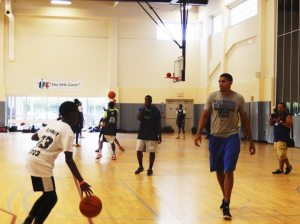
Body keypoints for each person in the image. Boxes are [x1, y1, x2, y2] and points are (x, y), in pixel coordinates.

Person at [194, 73, 255, 220]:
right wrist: (198, 133)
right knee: (219, 170)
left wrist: (251, 140)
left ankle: (226, 204)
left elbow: (245, 119)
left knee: (228, 170)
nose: (221, 84)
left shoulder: (238, 98)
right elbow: (204, 116)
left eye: (224, 81)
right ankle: (224, 196)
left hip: (232, 137)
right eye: (219, 81)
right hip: (215, 138)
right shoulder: (212, 97)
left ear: (231, 83)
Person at [24, 101, 92, 224]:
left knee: (47, 195)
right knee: (51, 198)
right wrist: (81, 181)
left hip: (32, 157)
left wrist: (49, 135)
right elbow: (69, 160)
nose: (78, 116)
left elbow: (34, 137)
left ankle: (28, 220)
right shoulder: (68, 132)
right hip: (41, 163)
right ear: (71, 114)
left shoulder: (54, 123)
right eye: (76, 113)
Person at [135, 95, 162, 176]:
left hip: (152, 134)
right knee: (138, 150)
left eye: (148, 100)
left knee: (152, 152)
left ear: (151, 101)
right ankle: (140, 166)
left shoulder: (156, 110)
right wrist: (143, 108)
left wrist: (160, 135)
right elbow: (139, 118)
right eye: (145, 100)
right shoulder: (141, 109)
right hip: (142, 134)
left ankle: (150, 168)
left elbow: (158, 123)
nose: (146, 101)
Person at [269, 102, 293, 175]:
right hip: (276, 137)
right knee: (279, 155)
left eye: (281, 107)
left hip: (283, 137)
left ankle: (280, 170)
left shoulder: (288, 115)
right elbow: (270, 124)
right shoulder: (276, 115)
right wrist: (271, 120)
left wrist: (280, 121)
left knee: (281, 154)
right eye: (278, 107)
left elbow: (289, 125)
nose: (279, 109)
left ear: (284, 108)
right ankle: (288, 166)